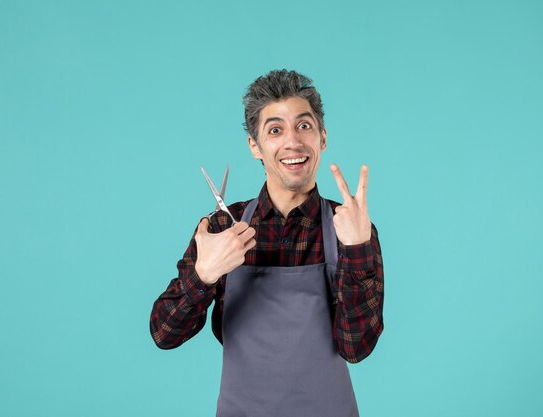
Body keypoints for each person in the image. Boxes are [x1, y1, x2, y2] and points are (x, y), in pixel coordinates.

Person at [150, 69, 384, 417]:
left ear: (322, 137)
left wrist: (357, 249)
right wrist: (204, 276)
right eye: (275, 130)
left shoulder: (349, 226)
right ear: (255, 146)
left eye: (304, 126)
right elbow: (164, 333)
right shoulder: (222, 227)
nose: (292, 142)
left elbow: (356, 347)